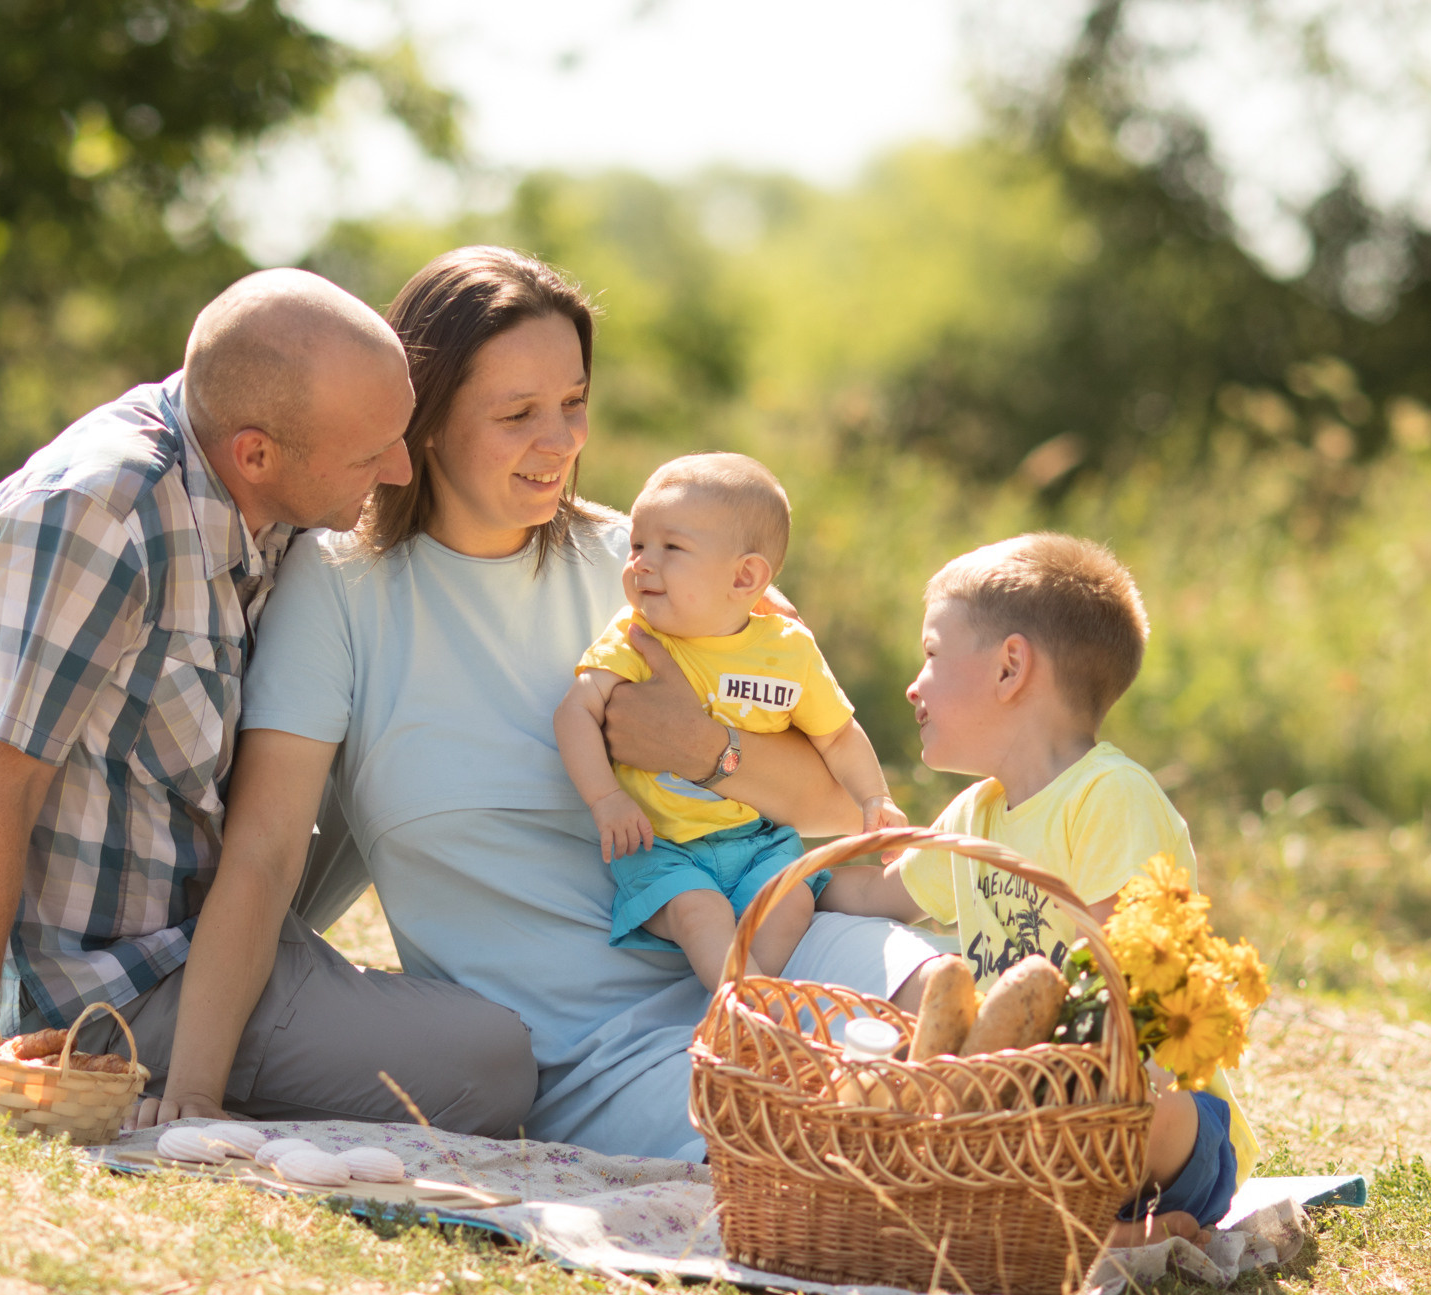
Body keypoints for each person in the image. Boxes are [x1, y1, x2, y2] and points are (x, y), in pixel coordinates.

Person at [141, 246, 945, 1159]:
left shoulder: (651, 569)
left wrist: (706, 749)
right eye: (518, 413)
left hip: (764, 950)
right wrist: (193, 1092)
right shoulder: (340, 589)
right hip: (585, 1054)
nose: (558, 441)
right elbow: (266, 850)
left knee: (957, 1001)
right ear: (426, 422)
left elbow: (847, 815)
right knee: (855, 1136)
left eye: (573, 405)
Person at [0, 268, 538, 1137]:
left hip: (219, 898)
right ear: (255, 453)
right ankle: (168, 1069)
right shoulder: (94, 515)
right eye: (372, 454)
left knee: (401, 713)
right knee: (497, 1067)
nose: (401, 468)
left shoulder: (274, 473)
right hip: (120, 986)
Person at [869, 532, 1261, 1241]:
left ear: (1010, 666)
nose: (913, 682)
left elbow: (1116, 981)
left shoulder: (1110, 795)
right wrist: (767, 867)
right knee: (909, 1107)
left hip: (1140, 1115)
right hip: (1017, 1110)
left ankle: (1113, 1218)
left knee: (1156, 1113)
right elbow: (874, 895)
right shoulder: (978, 811)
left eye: (931, 654)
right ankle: (1077, 1228)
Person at [554, 452, 903, 987]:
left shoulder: (788, 651)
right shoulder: (636, 636)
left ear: (745, 577)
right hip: (662, 847)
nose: (642, 562)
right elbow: (577, 710)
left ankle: (745, 1004)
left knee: (789, 905)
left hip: (756, 839)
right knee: (703, 915)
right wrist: (606, 798)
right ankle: (740, 1010)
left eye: (671, 548)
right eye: (639, 544)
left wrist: (874, 797)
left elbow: (836, 733)